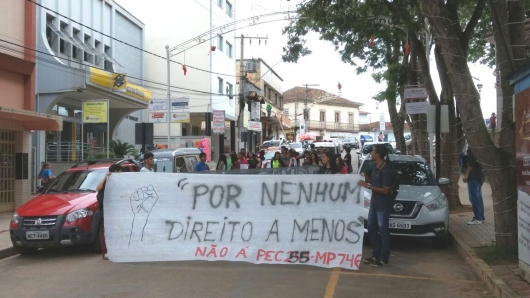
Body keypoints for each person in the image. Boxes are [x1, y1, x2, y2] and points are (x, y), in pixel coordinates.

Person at [358, 144, 394, 267]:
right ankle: (376, 255)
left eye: (373, 151)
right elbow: (375, 183)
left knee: (383, 231)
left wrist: (367, 186)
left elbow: (385, 190)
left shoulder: (386, 169)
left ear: (378, 154)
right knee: (372, 229)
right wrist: (367, 178)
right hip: (374, 204)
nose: (371, 153)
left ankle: (384, 258)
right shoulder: (375, 167)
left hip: (383, 205)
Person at [96, 163, 122, 260]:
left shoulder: (118, 183)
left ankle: (113, 249)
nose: (120, 173)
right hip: (106, 210)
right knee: (105, 231)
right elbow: (98, 188)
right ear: (115, 172)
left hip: (114, 210)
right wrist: (105, 177)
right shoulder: (106, 181)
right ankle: (105, 251)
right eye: (119, 171)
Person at [464, 147, 485, 225]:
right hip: (480, 175)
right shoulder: (481, 147)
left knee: (474, 198)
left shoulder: (472, 148)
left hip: (473, 176)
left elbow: (471, 163)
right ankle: (481, 217)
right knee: (479, 197)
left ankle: (478, 218)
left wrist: (466, 175)